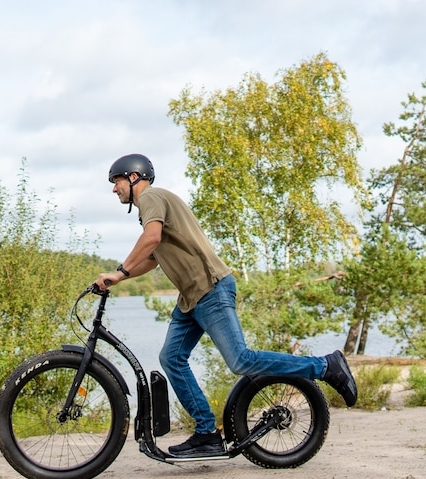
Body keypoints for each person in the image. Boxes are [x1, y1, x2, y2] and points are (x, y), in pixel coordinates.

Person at [95, 153, 358, 458]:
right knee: (171, 358)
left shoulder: (151, 197)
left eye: (116, 182)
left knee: (241, 360)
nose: (114, 189)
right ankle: (206, 432)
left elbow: (151, 239)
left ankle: (325, 366)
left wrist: (120, 271)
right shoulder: (151, 206)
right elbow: (153, 259)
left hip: (210, 288)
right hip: (190, 298)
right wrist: (119, 278)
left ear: (134, 177)